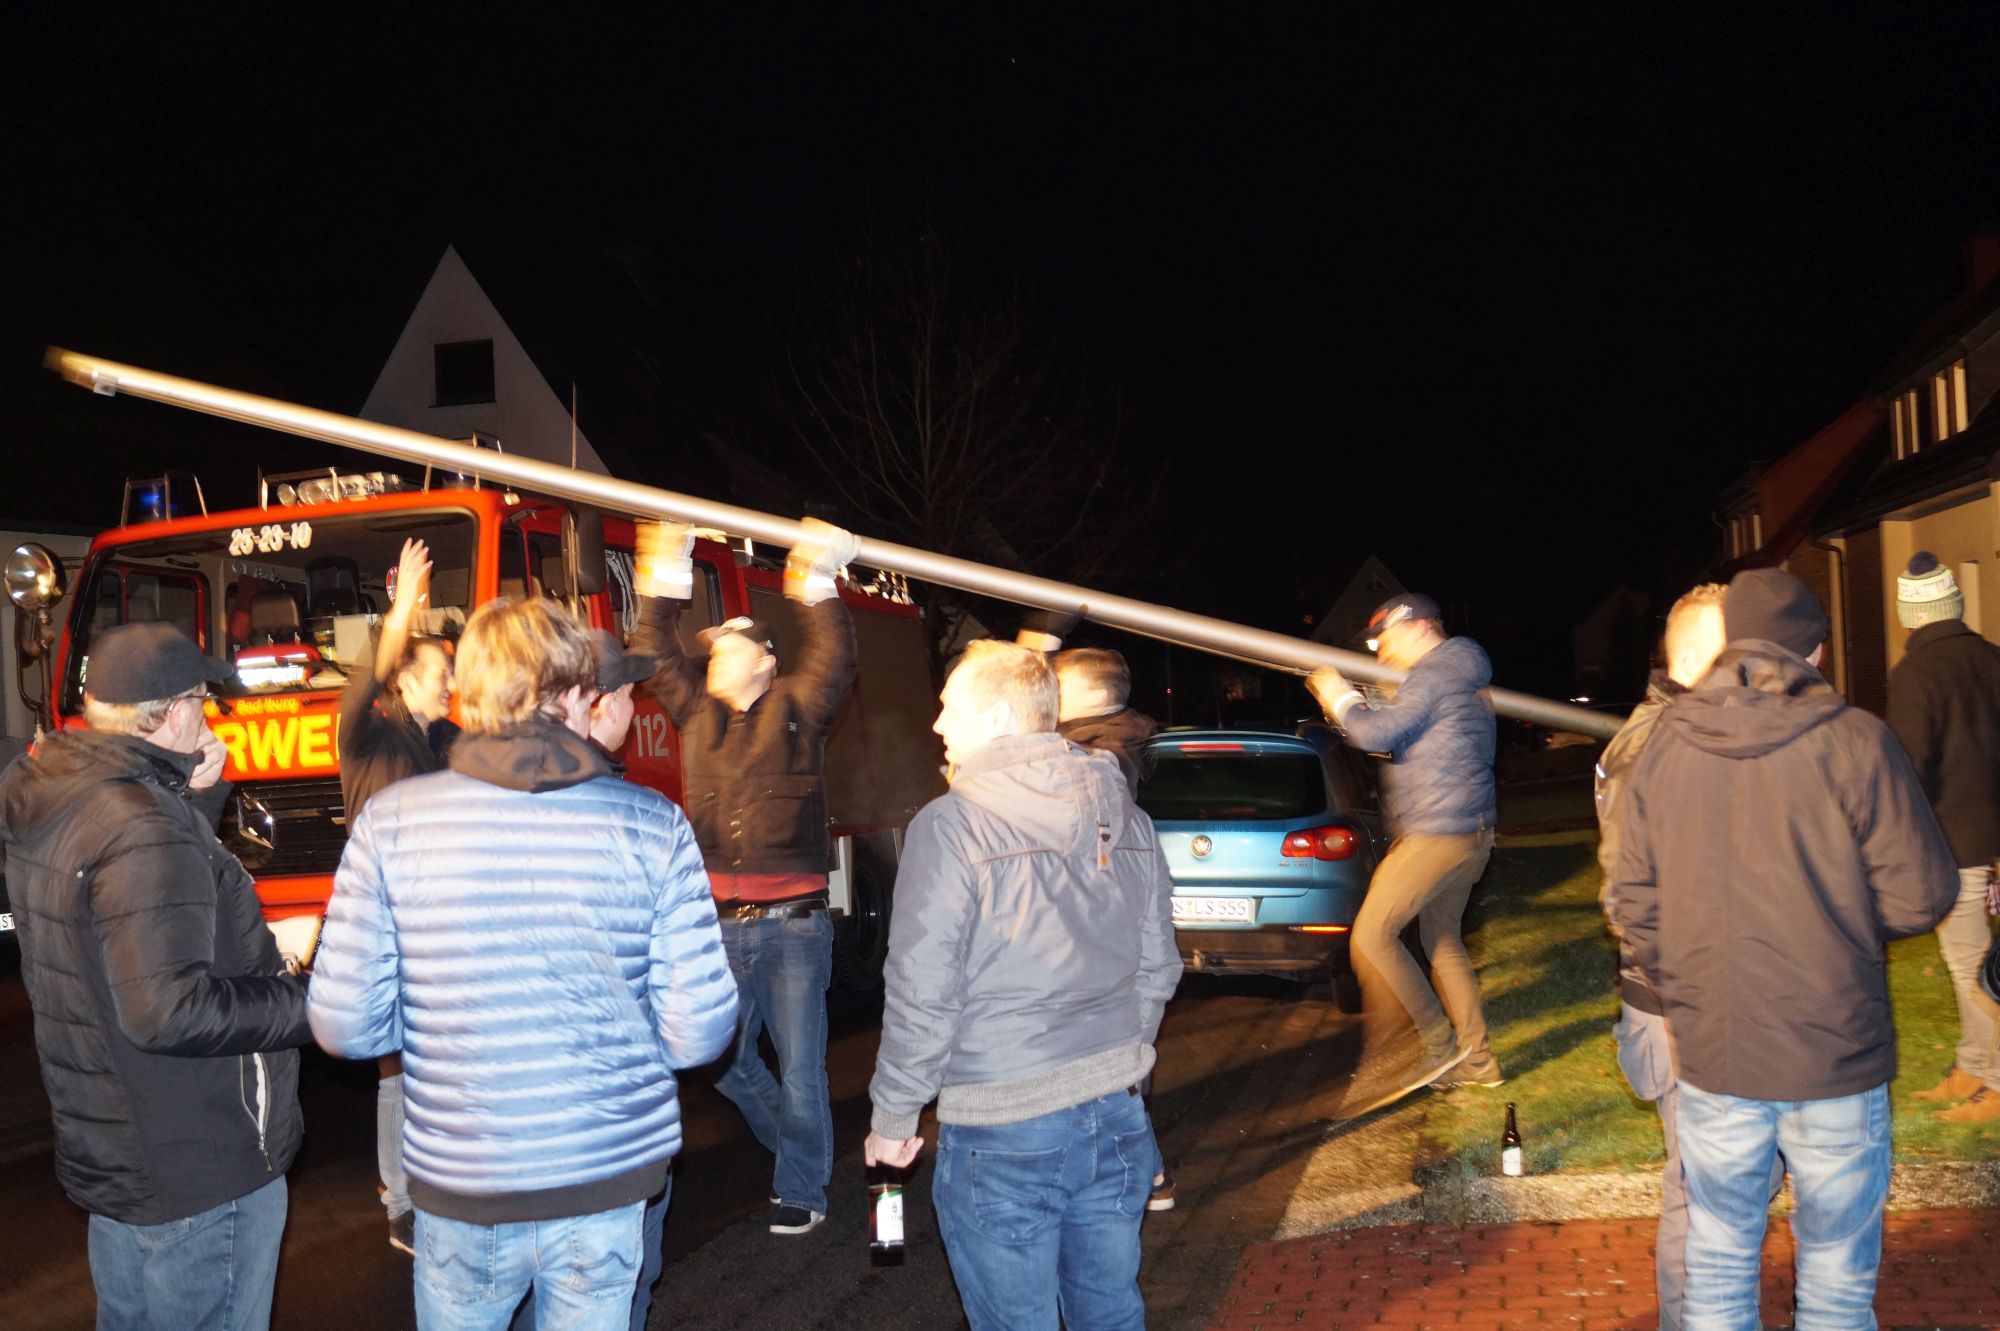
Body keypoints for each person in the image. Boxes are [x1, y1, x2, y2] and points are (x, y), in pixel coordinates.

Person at [308, 597, 737, 1331]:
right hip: (604, 1177)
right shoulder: (653, 824)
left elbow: (345, 1024)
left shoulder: (391, 822)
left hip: (463, 1184)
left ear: (470, 694)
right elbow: (698, 1032)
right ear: (576, 694)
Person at [1608, 568, 1958, 1330]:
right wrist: (1835, 924)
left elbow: (1630, 899)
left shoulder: (1666, 746)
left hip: (1718, 1049)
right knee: (1835, 1274)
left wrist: (1689, 986)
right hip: (1834, 1051)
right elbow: (1921, 893)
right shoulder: (1858, 740)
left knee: (1719, 1257)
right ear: (1818, 650)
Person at [0, 622, 313, 1331]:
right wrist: (309, 998)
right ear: (174, 713)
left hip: (125, 1153)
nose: (209, 713)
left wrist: (194, 795)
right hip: (200, 1165)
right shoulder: (143, 824)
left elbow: (130, 918)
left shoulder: (63, 793)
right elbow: (168, 1009)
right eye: (203, 698)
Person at [866, 640, 1183, 1330]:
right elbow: (1159, 964)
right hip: (1118, 1116)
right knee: (1110, 1313)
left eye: (950, 707)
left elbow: (923, 987)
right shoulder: (1127, 816)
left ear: (1000, 717)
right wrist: (1121, 1057)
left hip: (1005, 1128)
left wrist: (893, 1118)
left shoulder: (952, 825)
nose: (937, 724)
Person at [629, 516, 857, 1235]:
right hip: (719, 928)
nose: (715, 659)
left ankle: (801, 1188)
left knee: (801, 1067)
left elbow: (835, 653)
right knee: (720, 1060)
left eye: (730, 649)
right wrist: (665, 571)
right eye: (714, 651)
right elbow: (651, 648)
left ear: (766, 660)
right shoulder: (698, 714)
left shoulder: (800, 706)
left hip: (794, 928)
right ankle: (797, 1146)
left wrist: (813, 581)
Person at [1595, 583, 1731, 1331]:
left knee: (1722, 1183)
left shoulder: (1684, 734)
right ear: (1697, 655)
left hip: (1696, 1002)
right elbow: (1632, 899)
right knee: (1703, 1188)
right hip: (1683, 1008)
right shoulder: (1656, 748)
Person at [1307, 592, 1499, 1107]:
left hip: (1439, 833)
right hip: (1468, 831)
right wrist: (1362, 703)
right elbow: (1396, 735)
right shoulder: (1452, 672)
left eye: (1385, 637)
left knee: (1372, 936)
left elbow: (1375, 733)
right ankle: (1479, 1062)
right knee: (1442, 941)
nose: (1381, 650)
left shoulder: (1438, 671)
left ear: (1418, 627)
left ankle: (1439, 1050)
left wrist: (1338, 695)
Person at [338, 536, 458, 1257]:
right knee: (397, 1066)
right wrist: (402, 609)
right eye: (440, 672)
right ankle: (401, 1202)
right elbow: (368, 675)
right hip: (387, 925)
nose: (450, 684)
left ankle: (444, 1183)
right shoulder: (368, 737)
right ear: (404, 680)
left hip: (440, 926)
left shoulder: (445, 742)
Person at [1884, 552, 2000, 1125]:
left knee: (1972, 966)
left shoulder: (1915, 675)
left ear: (1911, 615)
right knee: (1980, 964)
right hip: (1992, 839)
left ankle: (1995, 1083)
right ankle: (1974, 1065)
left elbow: (1908, 773)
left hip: (1955, 845)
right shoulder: (1994, 658)